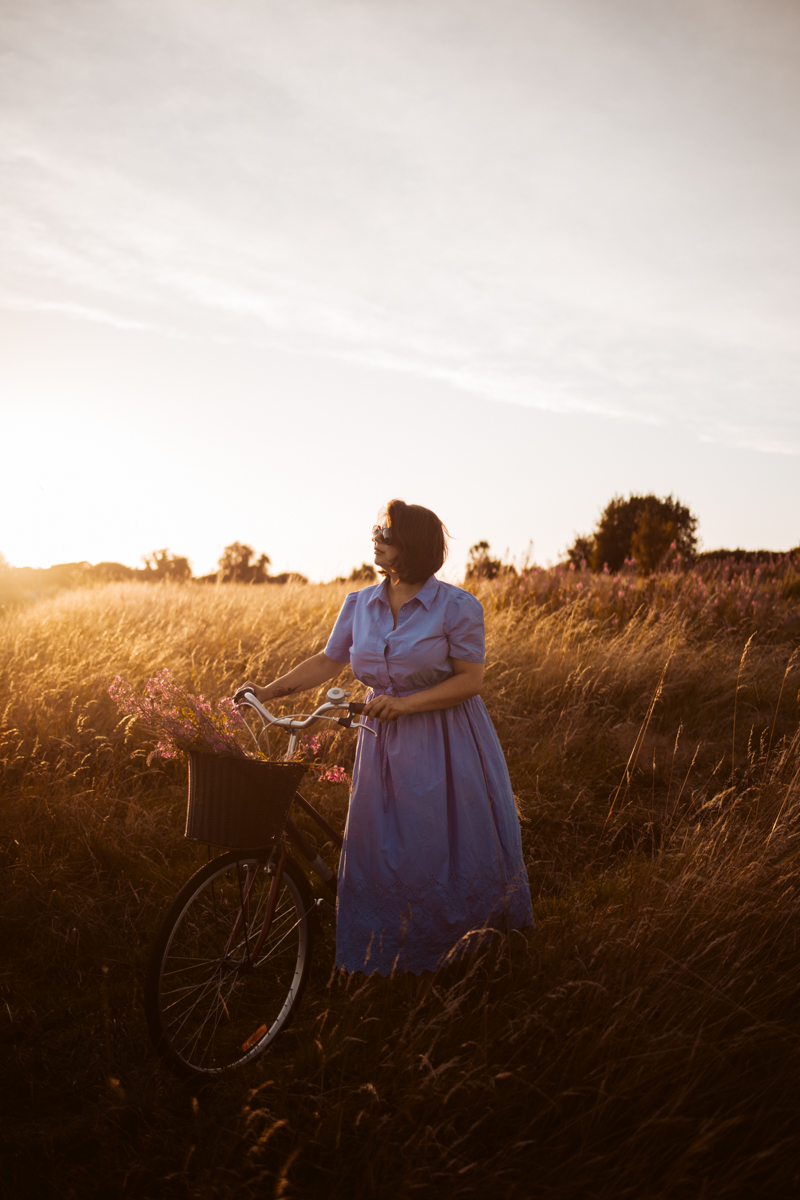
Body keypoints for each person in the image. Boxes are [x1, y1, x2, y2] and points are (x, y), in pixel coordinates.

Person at [239, 499, 533, 975]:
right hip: (381, 742)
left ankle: (455, 952)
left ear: (412, 545)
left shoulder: (457, 607)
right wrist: (268, 691)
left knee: (436, 845)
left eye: (386, 533)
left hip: (444, 740)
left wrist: (403, 704)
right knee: (380, 848)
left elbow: (469, 681)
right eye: (376, 530)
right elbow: (329, 661)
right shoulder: (360, 604)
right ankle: (384, 950)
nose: (375, 538)